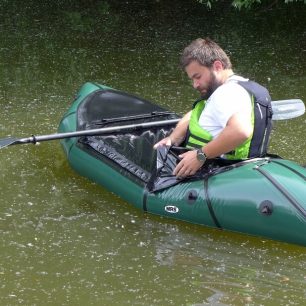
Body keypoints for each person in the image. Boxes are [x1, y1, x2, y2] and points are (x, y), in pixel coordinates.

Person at [154, 38, 272, 178]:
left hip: (219, 172)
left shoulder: (225, 93)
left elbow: (240, 131)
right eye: (192, 79)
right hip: (248, 167)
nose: (195, 85)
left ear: (217, 66)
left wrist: (200, 155)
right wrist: (173, 138)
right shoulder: (244, 88)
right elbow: (196, 113)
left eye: (197, 77)